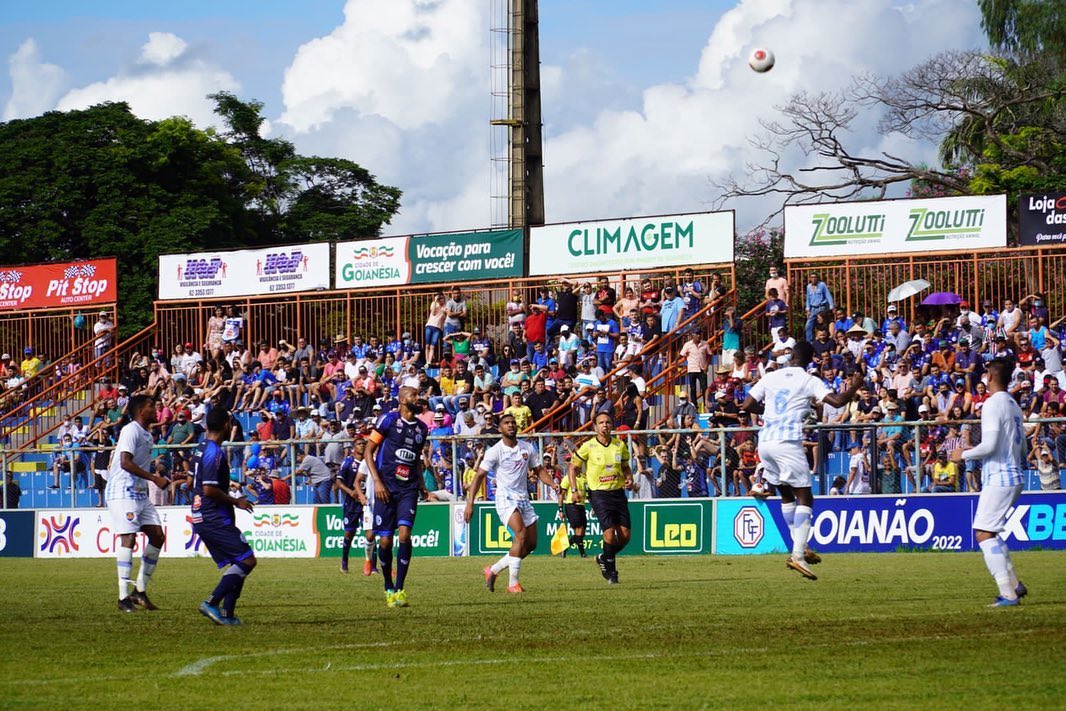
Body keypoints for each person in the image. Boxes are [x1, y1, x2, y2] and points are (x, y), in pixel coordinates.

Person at [741, 341, 862, 580]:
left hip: (765, 443)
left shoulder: (771, 376)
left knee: (786, 495)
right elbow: (837, 402)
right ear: (809, 360)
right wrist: (856, 384)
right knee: (805, 496)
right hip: (787, 442)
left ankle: (799, 545)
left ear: (791, 355)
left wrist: (771, 410)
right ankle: (797, 554)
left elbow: (746, 405)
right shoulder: (808, 380)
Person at [960, 359, 1028, 607]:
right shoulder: (1012, 403)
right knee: (992, 530)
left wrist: (963, 454)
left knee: (983, 533)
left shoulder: (992, 404)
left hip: (1001, 476)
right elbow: (1022, 446)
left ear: (989, 377)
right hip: (1013, 473)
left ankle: (1007, 594)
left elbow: (988, 446)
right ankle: (1015, 584)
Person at [464, 413, 558, 594]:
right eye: (507, 423)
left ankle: (493, 570)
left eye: (513, 423)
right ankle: (512, 584)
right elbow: (479, 476)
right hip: (505, 498)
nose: (511, 425)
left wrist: (553, 484)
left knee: (531, 545)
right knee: (520, 535)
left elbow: (538, 470)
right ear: (500, 429)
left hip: (523, 498)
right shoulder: (495, 451)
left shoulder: (527, 448)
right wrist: (470, 503)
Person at [364, 386, 429, 608]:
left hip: (408, 489)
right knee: (385, 540)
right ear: (402, 400)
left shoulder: (422, 428)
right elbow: (368, 450)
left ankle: (400, 589)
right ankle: (388, 585)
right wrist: (377, 481)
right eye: (413, 395)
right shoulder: (387, 421)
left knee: (404, 535)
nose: (417, 398)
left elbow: (417, 459)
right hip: (385, 488)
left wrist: (421, 484)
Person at [191, 408, 257, 626]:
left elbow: (196, 483)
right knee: (247, 559)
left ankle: (228, 613)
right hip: (213, 516)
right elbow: (209, 490)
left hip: (204, 515)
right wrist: (236, 501)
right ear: (226, 425)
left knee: (238, 561)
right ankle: (212, 602)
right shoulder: (214, 452)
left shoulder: (200, 448)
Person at [105, 394, 169, 613]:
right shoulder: (130, 430)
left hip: (140, 493)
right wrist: (153, 478)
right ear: (141, 410)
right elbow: (124, 462)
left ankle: (139, 591)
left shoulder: (147, 434)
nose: (156, 409)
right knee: (128, 538)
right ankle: (123, 597)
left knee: (158, 536)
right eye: (152, 406)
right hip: (122, 491)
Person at [568, 411, 634, 584]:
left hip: (618, 493)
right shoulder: (588, 446)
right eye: (601, 422)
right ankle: (612, 573)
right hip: (599, 494)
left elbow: (626, 467)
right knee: (609, 534)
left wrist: (629, 478)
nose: (605, 425)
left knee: (625, 535)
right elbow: (572, 467)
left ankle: (604, 557)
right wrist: (574, 490)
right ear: (595, 427)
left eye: (608, 422)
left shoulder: (619, 445)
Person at [335, 436, 368, 574]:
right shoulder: (348, 462)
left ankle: (371, 565)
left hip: (366, 503)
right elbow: (338, 482)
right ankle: (344, 562)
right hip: (351, 504)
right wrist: (351, 492)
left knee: (370, 534)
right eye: (359, 444)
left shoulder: (369, 461)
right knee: (349, 534)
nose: (362, 446)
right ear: (354, 447)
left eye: (363, 444)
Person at [558, 453, 588, 558]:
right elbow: (561, 494)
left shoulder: (584, 478)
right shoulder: (567, 478)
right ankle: (583, 554)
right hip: (572, 505)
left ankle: (565, 547)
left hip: (582, 506)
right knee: (579, 529)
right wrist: (560, 509)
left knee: (582, 532)